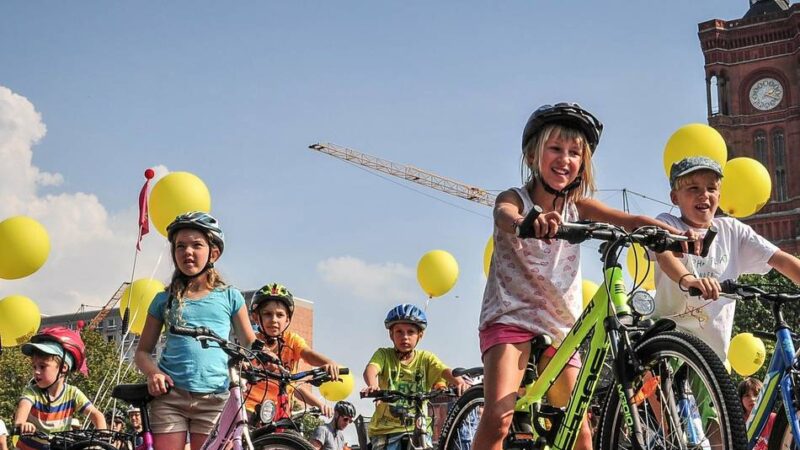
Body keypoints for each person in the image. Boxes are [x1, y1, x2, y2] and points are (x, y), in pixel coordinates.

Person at [472, 102, 690, 450]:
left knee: (579, 433)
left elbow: (627, 220)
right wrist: (526, 223)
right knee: (500, 418)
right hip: (510, 317)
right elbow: (504, 213)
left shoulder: (579, 207)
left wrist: (672, 233)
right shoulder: (517, 198)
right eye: (555, 149)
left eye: (575, 153)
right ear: (532, 156)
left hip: (559, 328)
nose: (565, 159)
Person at [652, 156, 800, 359]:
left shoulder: (732, 229)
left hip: (712, 356)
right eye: (693, 188)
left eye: (711, 189)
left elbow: (780, 259)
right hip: (670, 341)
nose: (704, 194)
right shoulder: (669, 223)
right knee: (663, 388)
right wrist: (689, 280)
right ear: (675, 197)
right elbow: (665, 256)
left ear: (719, 196)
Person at [134, 211, 256, 450]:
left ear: (214, 253)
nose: (187, 251)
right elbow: (142, 353)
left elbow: (249, 342)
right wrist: (153, 373)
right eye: (180, 246)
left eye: (196, 245)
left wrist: (267, 357)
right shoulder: (163, 299)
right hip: (171, 397)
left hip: (215, 398)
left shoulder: (230, 296)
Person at [362, 304, 467, 450]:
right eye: (399, 332)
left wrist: (459, 382)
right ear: (391, 334)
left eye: (410, 332)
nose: (405, 337)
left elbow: (444, 370)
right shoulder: (384, 355)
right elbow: (371, 369)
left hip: (420, 428)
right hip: (386, 430)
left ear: (420, 335)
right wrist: (373, 385)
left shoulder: (426, 359)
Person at [244, 282, 340, 418]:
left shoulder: (292, 341)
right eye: (267, 314)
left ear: (288, 319)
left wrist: (329, 363)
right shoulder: (252, 341)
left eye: (280, 315)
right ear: (255, 317)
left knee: (293, 435)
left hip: (281, 412)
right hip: (251, 408)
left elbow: (308, 355)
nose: (273, 320)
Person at [14, 327, 106, 450]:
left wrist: (102, 439)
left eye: (42, 366)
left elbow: (96, 415)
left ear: (63, 368)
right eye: (34, 366)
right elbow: (23, 409)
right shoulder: (32, 392)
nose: (36, 371)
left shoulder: (73, 393)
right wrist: (22, 424)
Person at [738, 377, 775, 450]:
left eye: (756, 394)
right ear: (740, 399)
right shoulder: (738, 423)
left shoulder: (773, 418)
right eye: (747, 395)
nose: (752, 398)